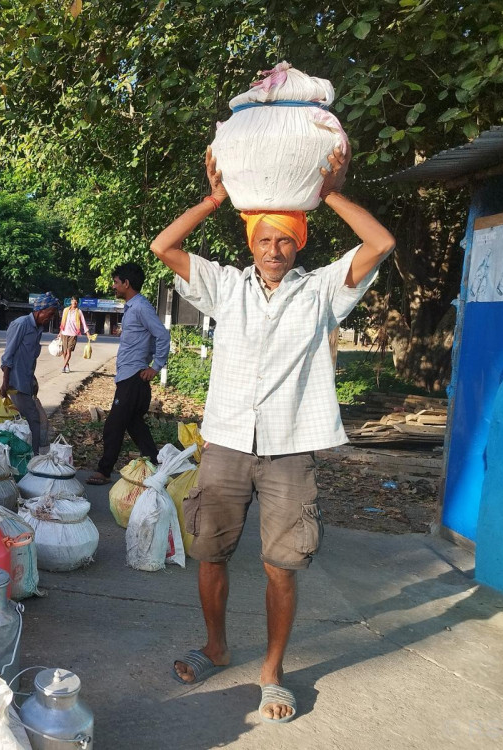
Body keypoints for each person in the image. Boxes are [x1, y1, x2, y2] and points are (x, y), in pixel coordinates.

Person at [151, 145, 396, 723]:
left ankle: (272, 671)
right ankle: (216, 646)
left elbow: (380, 244)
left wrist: (328, 190)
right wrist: (215, 197)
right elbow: (164, 247)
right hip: (228, 443)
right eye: (264, 240)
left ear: (299, 244)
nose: (274, 250)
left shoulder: (321, 292)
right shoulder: (225, 287)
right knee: (210, 553)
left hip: (289, 448)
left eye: (285, 240)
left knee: (281, 565)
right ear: (250, 243)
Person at [84, 263, 170, 485]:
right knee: (135, 424)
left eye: (115, 282)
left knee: (114, 425)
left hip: (134, 378)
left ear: (126, 283)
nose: (113, 286)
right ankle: (158, 466)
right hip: (129, 376)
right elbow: (149, 339)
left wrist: (155, 366)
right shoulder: (132, 307)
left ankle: (104, 471)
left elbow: (162, 335)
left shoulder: (141, 307)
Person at [0, 292, 61, 454]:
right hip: (15, 383)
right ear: (40, 310)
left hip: (26, 382)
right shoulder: (21, 324)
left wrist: (33, 379)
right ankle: (33, 459)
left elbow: (30, 358)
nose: (51, 318)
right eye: (50, 314)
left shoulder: (38, 328)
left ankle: (22, 456)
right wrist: (5, 382)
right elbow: (8, 356)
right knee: (33, 419)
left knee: (23, 421)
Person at [58, 296, 89, 374]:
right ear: (71, 302)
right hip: (64, 333)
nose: (74, 303)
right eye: (73, 301)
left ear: (77, 303)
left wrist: (87, 333)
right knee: (64, 352)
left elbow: (84, 323)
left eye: (76, 302)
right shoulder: (65, 310)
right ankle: (67, 365)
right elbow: (62, 322)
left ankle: (63, 366)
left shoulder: (79, 312)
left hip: (73, 334)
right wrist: (60, 332)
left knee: (69, 351)